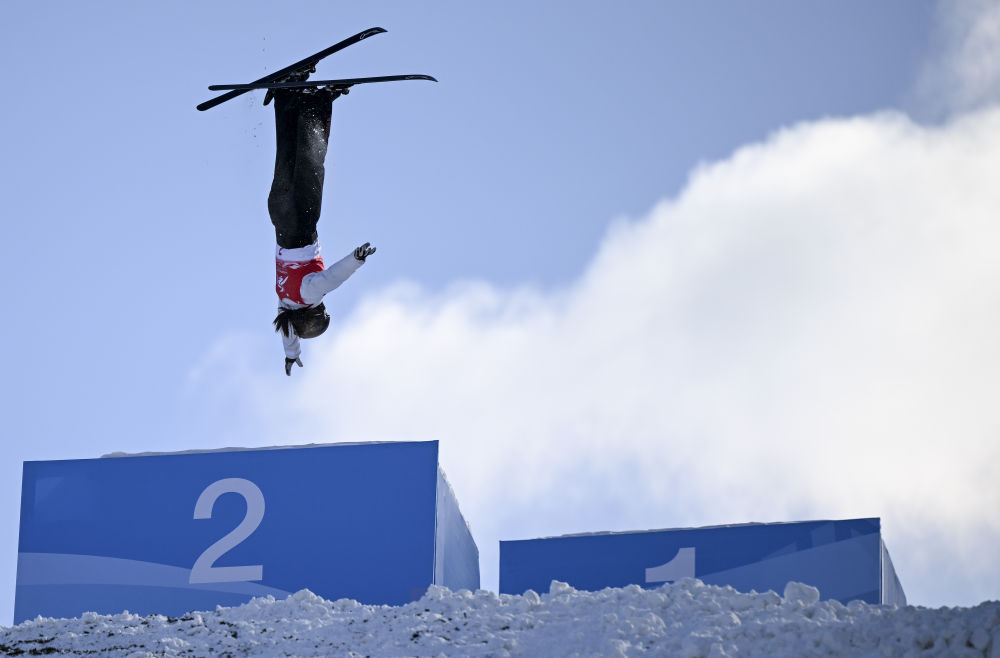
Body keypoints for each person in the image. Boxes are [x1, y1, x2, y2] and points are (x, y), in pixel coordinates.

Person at [267, 84, 375, 376]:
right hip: (278, 215)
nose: (323, 305)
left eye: (322, 310)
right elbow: (287, 328)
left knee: (311, 161)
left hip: (301, 221)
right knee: (286, 158)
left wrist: (357, 259)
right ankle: (286, 98)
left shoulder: (309, 293)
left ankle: (318, 99)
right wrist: (291, 354)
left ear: (313, 312)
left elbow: (333, 277)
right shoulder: (285, 301)